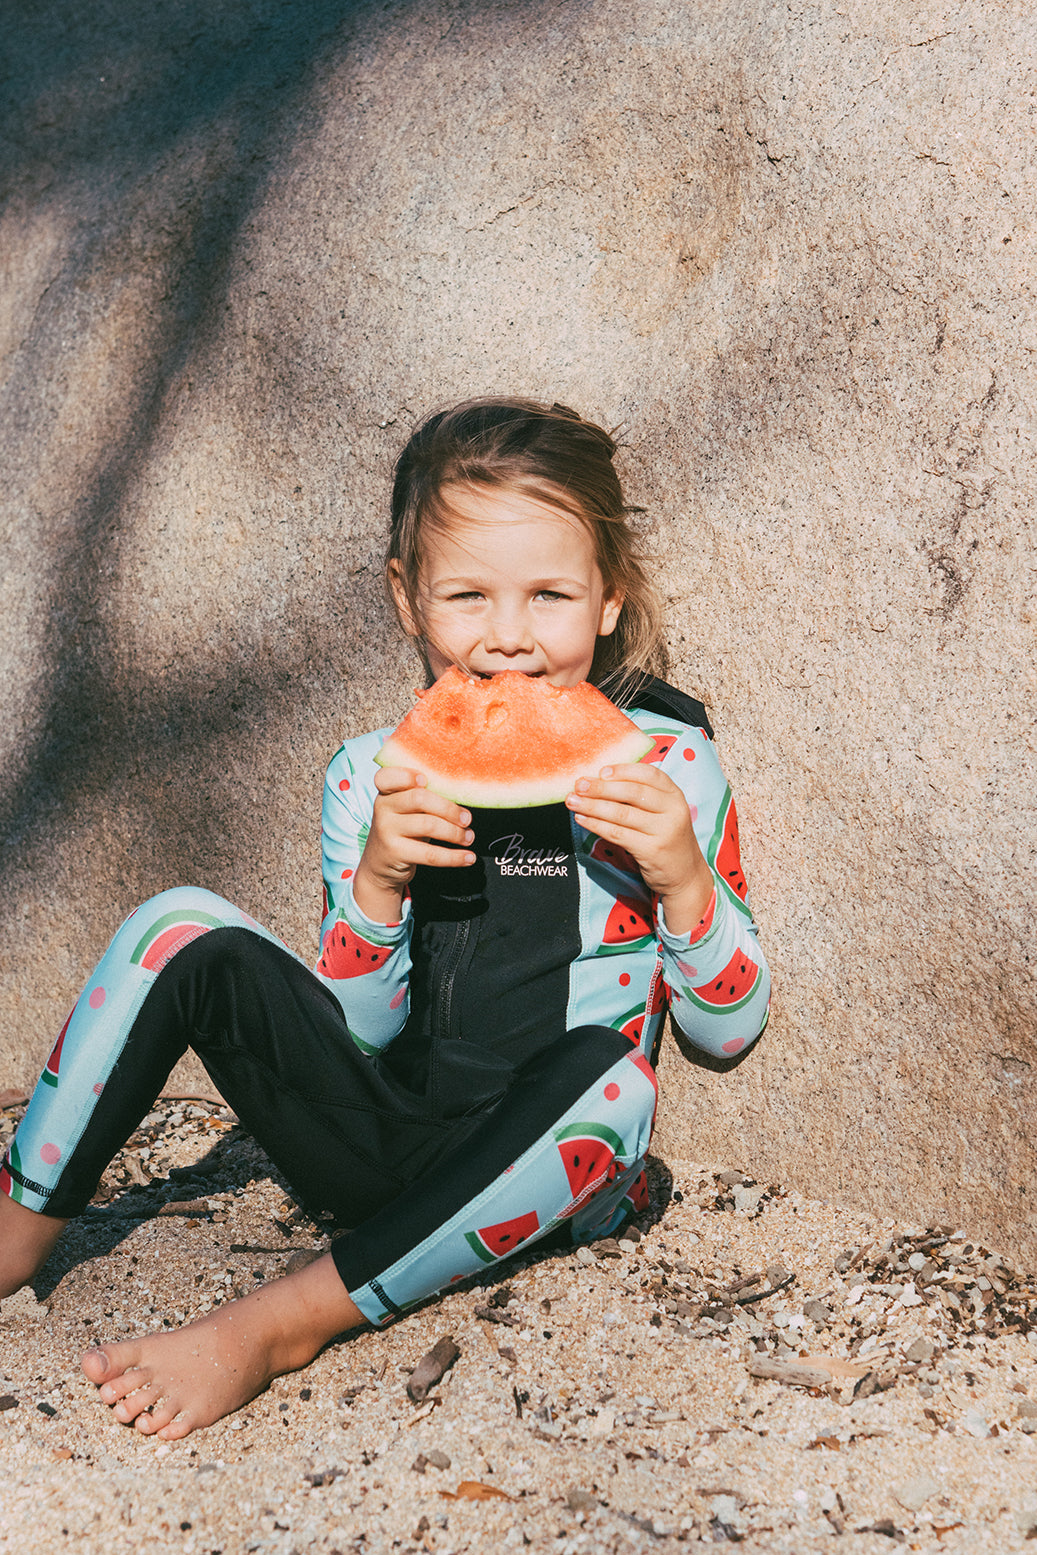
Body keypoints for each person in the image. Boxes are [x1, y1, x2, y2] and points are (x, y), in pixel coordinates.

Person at [0, 397, 770, 1440]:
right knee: (176, 921)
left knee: (613, 1087)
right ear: (407, 602)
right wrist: (376, 881)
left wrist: (680, 871)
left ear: (606, 600)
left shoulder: (668, 766)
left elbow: (726, 1030)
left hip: (544, 1171)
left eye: (547, 595)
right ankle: (18, 1229)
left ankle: (279, 1322)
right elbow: (356, 1028)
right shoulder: (372, 774)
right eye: (467, 597)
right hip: (375, 1141)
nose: (508, 640)